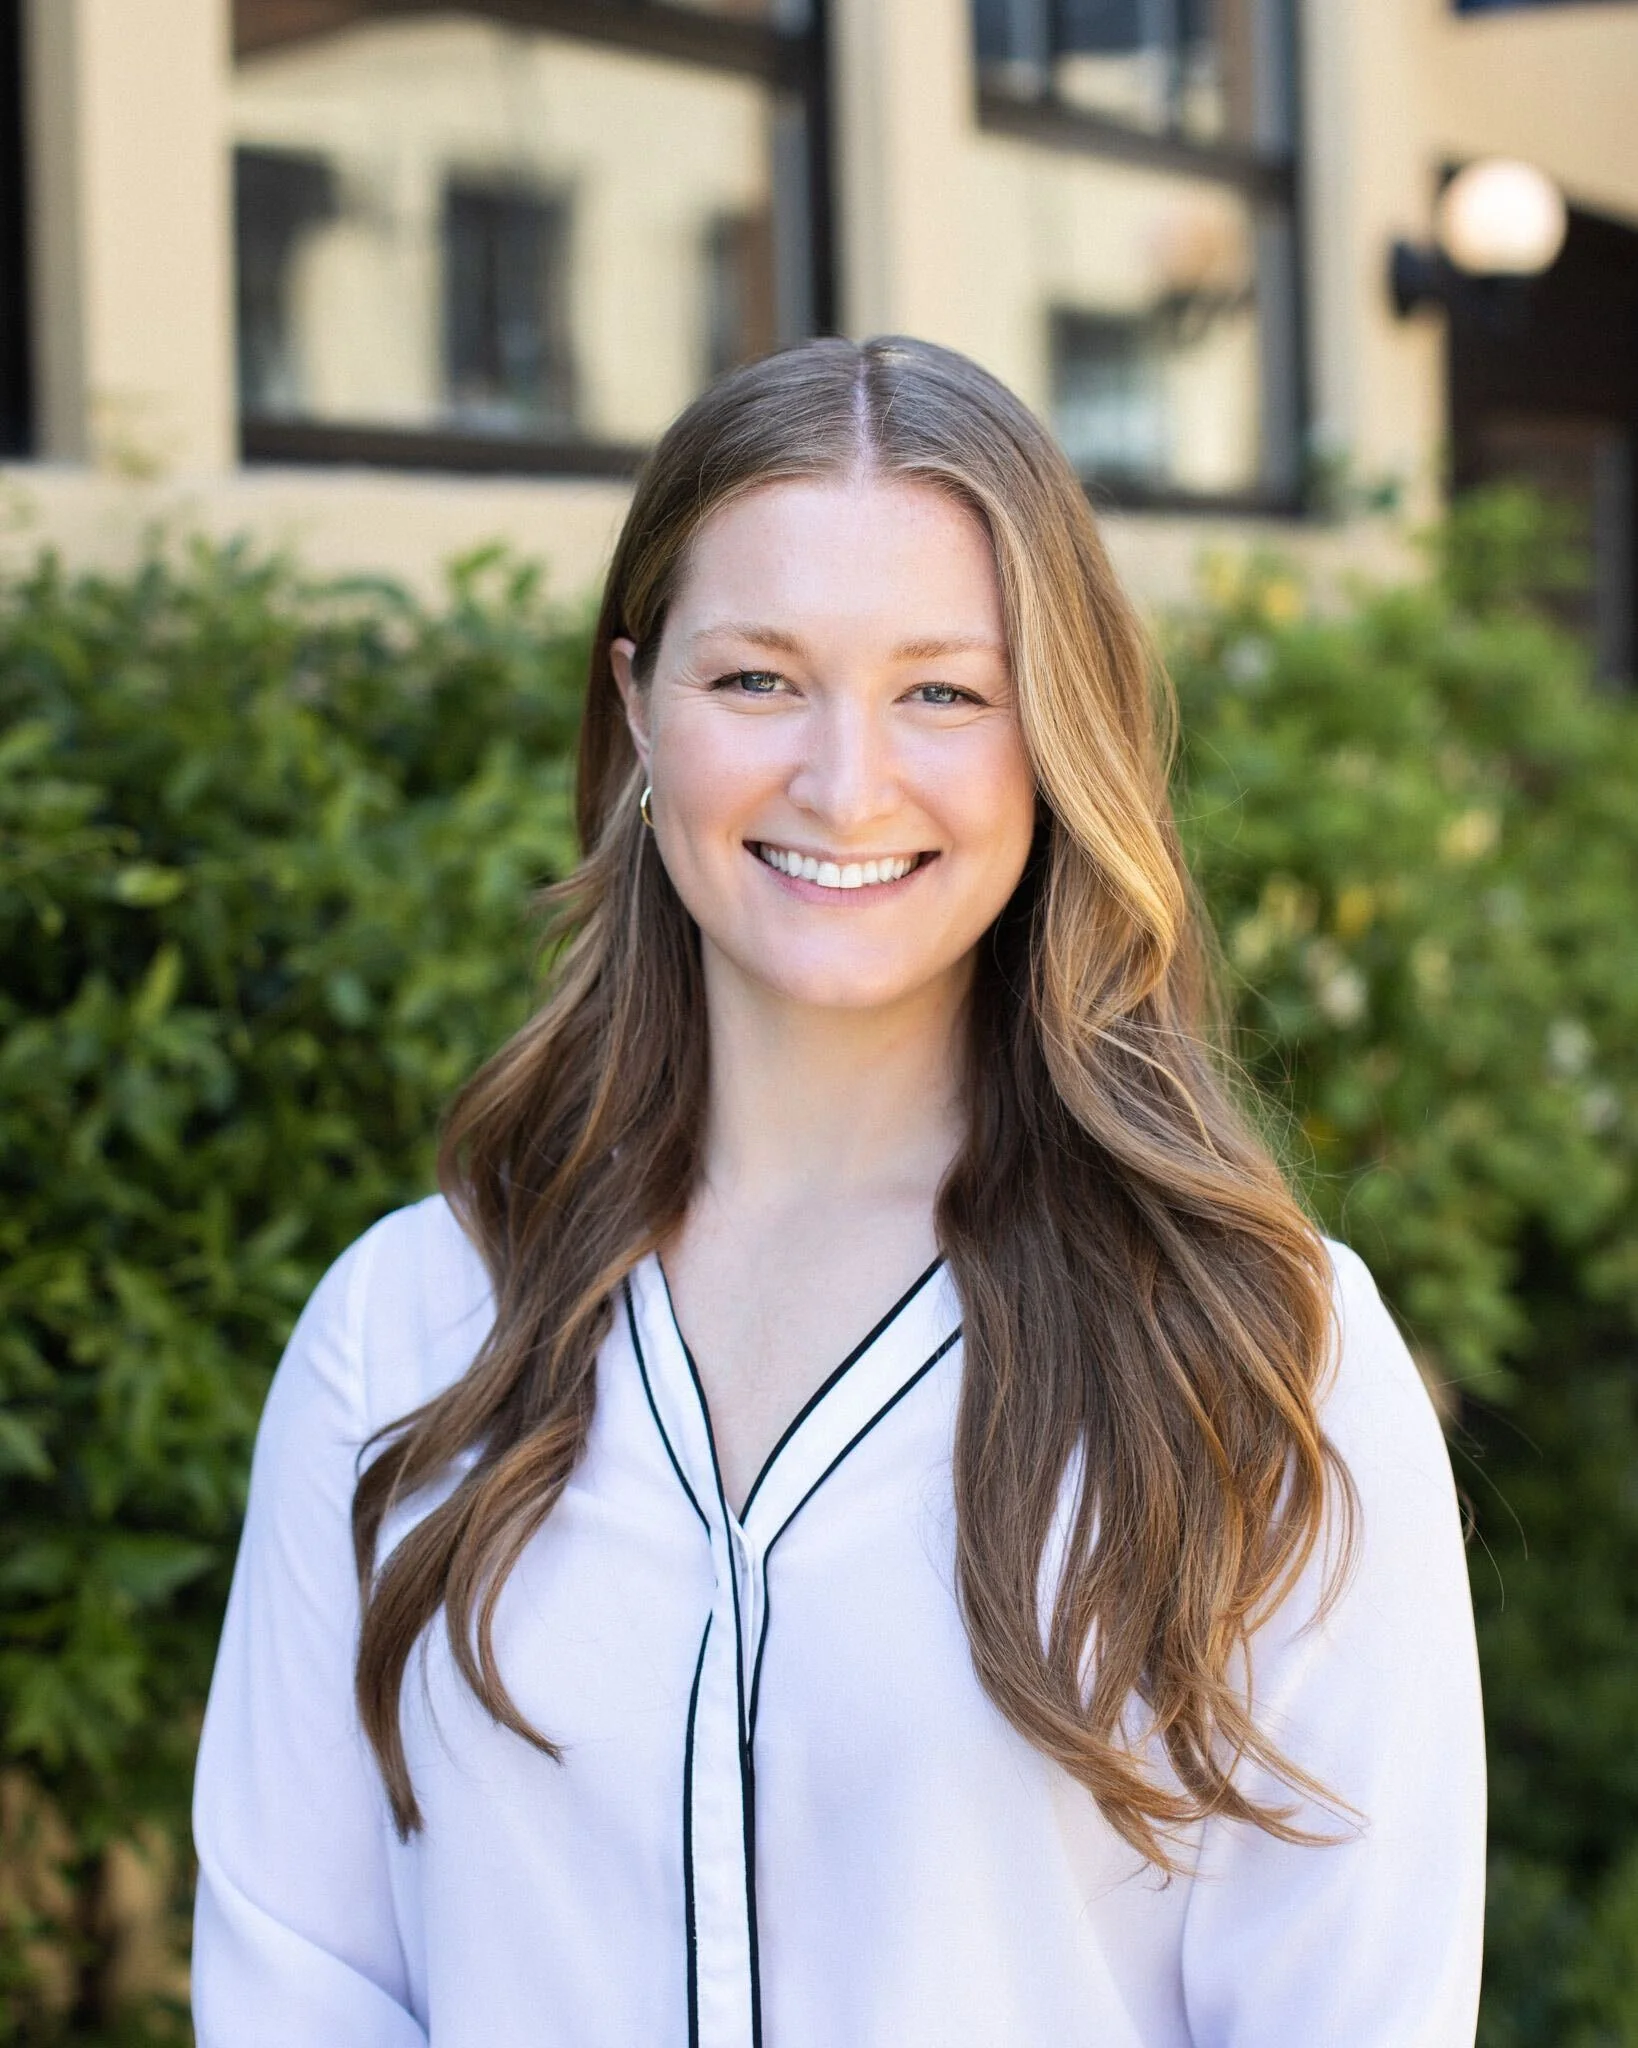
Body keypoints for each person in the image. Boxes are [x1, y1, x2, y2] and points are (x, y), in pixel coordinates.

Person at [190, 336, 1486, 2048]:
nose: (843, 780)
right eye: (757, 681)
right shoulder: (407, 1330)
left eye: (943, 691)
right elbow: (302, 1983)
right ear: (638, 705)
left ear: (1055, 736)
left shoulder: (1257, 1359)